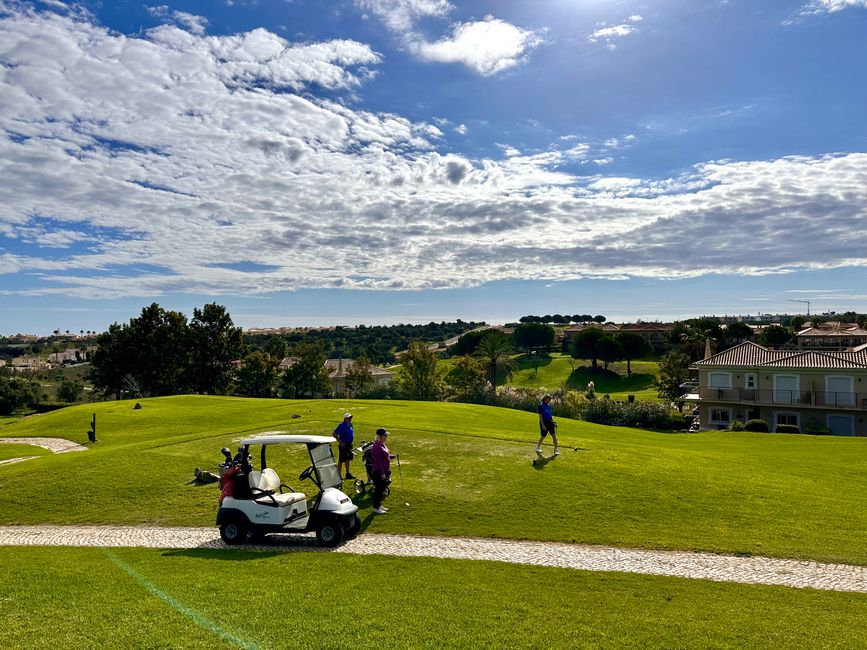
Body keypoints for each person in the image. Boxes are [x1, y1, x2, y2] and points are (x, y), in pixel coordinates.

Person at [371, 427, 394, 514]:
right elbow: (377, 461)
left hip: (385, 471)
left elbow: (385, 456)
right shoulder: (376, 446)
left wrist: (393, 456)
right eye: (385, 435)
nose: (386, 437)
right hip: (379, 472)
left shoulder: (382, 444)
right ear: (380, 436)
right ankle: (375, 507)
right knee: (378, 490)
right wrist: (382, 473)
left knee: (381, 489)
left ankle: (379, 505)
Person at [333, 412, 356, 480]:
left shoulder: (351, 424)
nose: (350, 419)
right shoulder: (341, 425)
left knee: (348, 459)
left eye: (351, 417)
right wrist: (340, 442)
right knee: (341, 460)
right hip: (343, 445)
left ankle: (347, 474)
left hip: (349, 445)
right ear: (345, 419)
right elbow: (334, 433)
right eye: (349, 418)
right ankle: (338, 475)